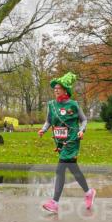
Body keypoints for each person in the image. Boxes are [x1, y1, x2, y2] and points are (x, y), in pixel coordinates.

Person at [38, 72, 96, 214]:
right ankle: (89, 192)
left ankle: (54, 202)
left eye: (59, 88)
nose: (56, 90)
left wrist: (82, 130)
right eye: (55, 88)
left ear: (65, 90)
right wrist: (43, 129)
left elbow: (84, 120)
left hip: (72, 140)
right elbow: (49, 121)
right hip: (60, 142)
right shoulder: (51, 105)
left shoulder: (73, 104)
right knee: (73, 169)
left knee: (60, 169)